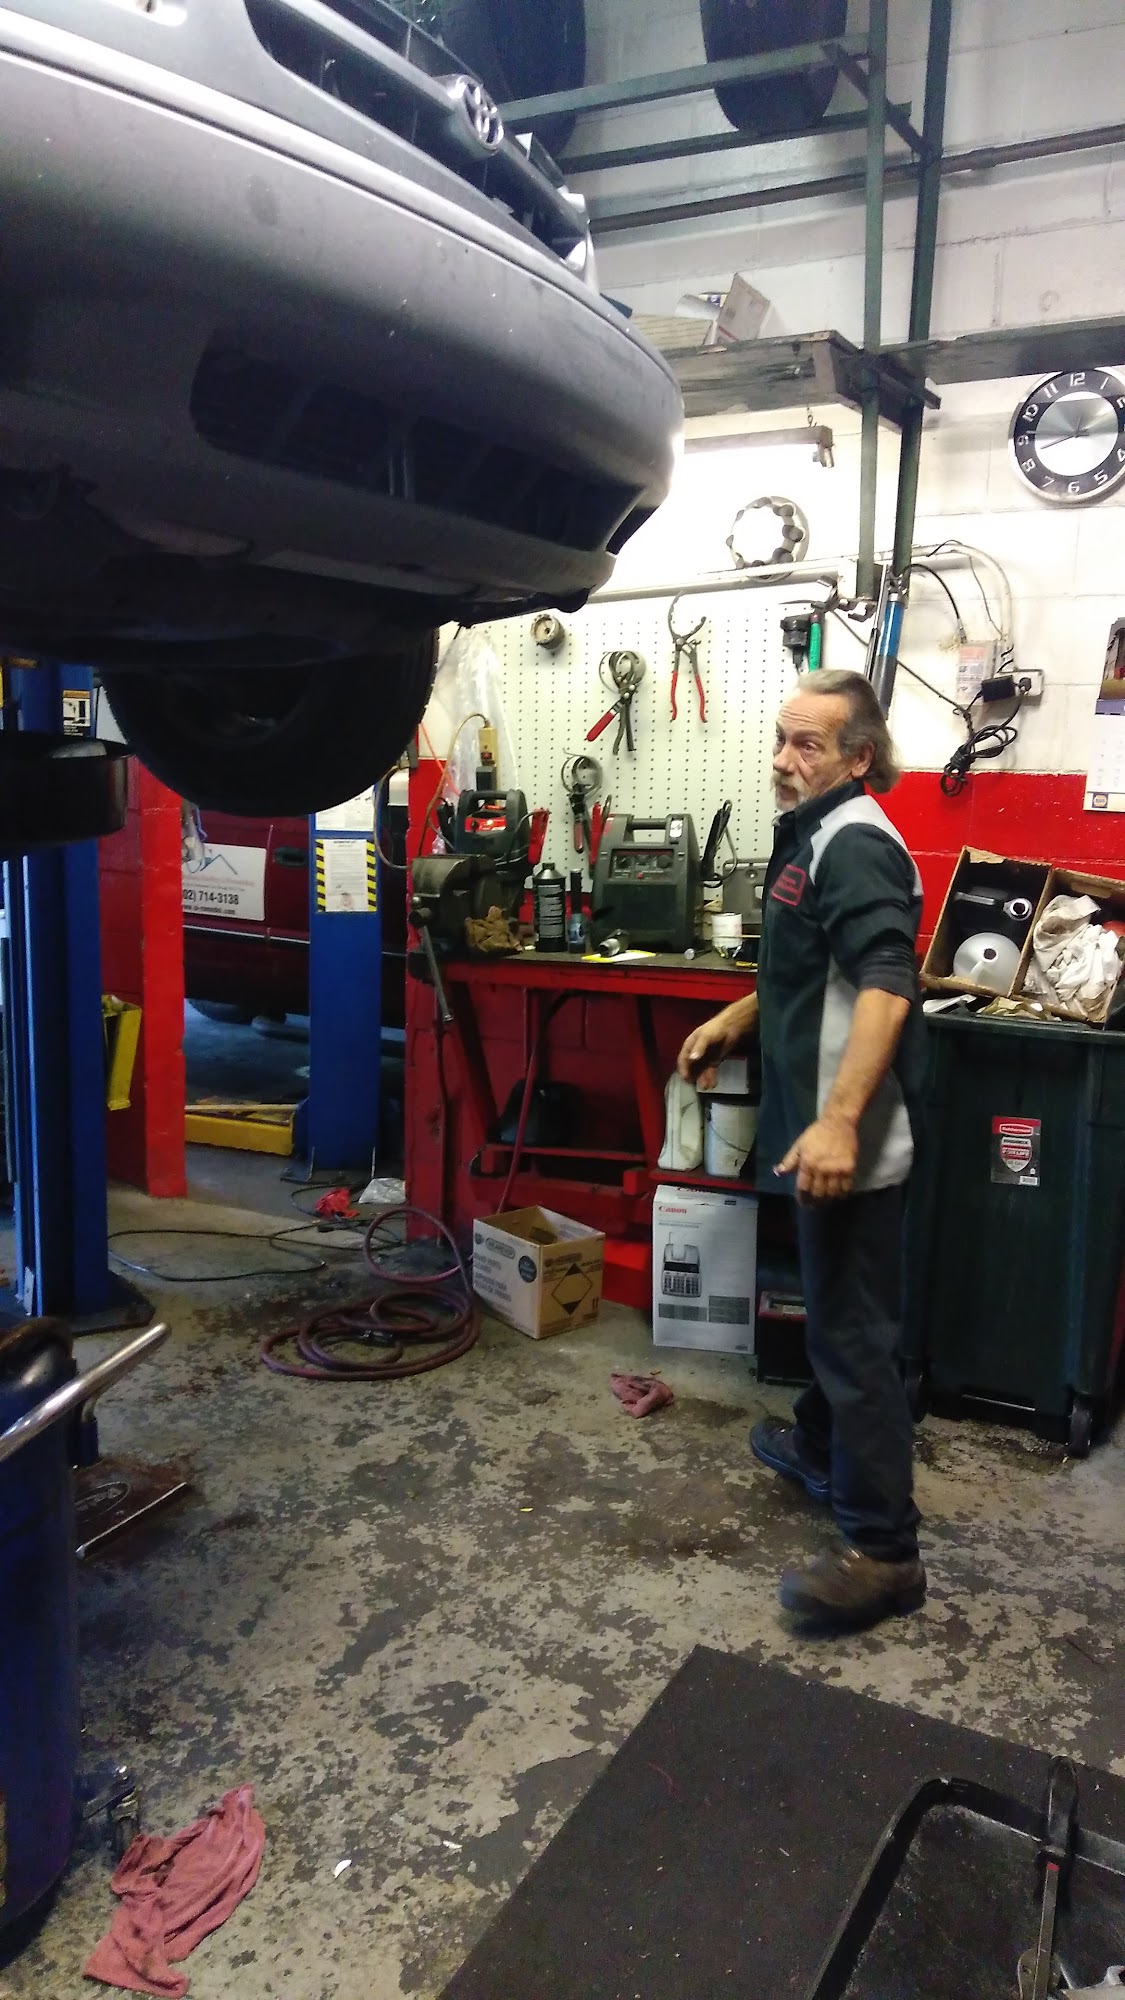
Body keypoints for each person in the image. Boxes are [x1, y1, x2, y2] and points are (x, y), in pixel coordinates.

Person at [678, 669, 926, 1632]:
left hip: (844, 1139)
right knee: (832, 1313)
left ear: (858, 759)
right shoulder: (813, 830)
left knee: (852, 1336)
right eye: (781, 740)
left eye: (807, 745)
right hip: (813, 1128)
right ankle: (821, 1447)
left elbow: (887, 981)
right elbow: (814, 967)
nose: (783, 760)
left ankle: (884, 1553)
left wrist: (840, 1120)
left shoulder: (854, 841)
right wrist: (738, 1017)